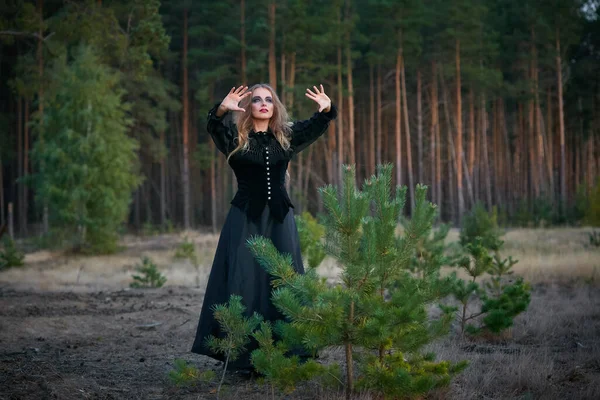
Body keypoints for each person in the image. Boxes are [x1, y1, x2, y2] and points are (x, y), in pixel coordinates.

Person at [191, 83, 337, 372]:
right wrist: (221, 108)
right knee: (244, 281)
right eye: (256, 100)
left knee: (283, 281)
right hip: (245, 219)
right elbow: (213, 125)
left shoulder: (286, 138)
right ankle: (243, 354)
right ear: (249, 107)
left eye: (268, 100)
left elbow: (318, 124)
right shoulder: (235, 139)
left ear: (275, 107)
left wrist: (327, 107)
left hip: (280, 221)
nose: (262, 103)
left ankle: (287, 350)